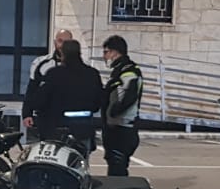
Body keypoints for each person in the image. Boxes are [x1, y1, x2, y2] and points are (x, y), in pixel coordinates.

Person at [29, 39, 103, 154]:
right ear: (79, 53)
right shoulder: (92, 74)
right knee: (80, 159)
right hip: (83, 127)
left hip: (56, 128)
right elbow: (98, 102)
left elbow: (40, 100)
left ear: (63, 54)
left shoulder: (54, 73)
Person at [101, 35, 143, 177]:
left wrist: (114, 112)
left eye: (106, 52)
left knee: (117, 168)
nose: (104, 56)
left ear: (115, 52)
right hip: (116, 126)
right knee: (114, 165)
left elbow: (129, 96)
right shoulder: (120, 71)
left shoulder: (128, 71)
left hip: (122, 128)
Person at [22, 29, 73, 133]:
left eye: (66, 42)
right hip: (46, 117)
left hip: (73, 118)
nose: (62, 45)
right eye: (60, 41)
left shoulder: (83, 66)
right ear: (55, 42)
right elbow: (31, 89)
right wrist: (27, 114)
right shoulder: (40, 63)